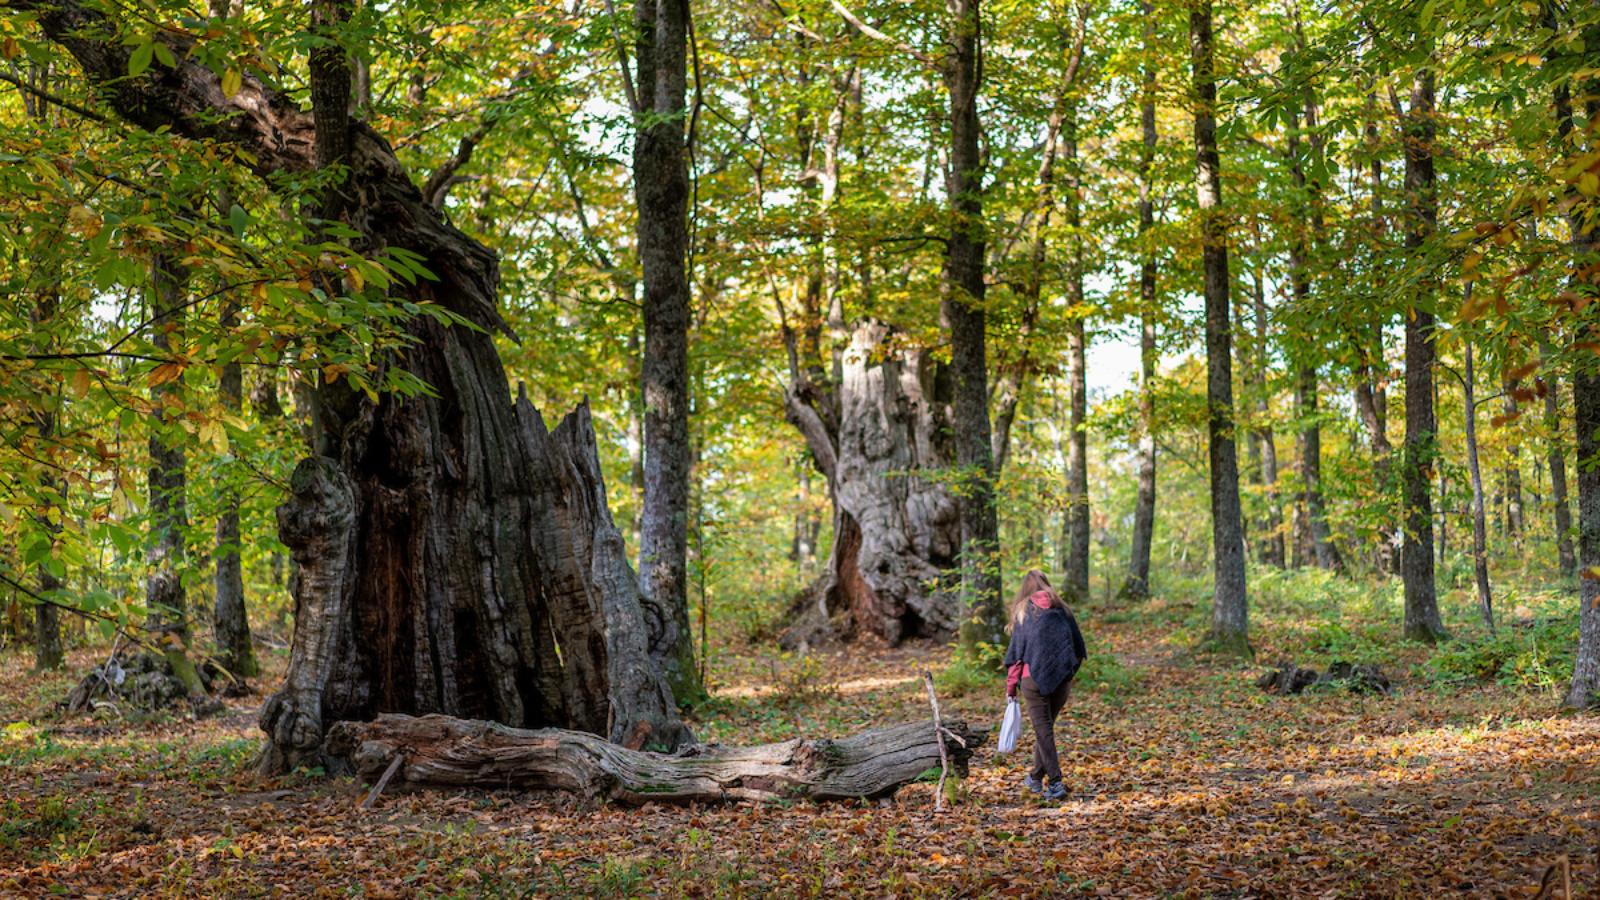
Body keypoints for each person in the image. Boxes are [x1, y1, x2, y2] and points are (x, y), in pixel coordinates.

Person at [1003, 569, 1087, 800]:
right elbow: (1078, 650)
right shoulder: (1063, 610)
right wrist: (1067, 674)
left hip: (1033, 681)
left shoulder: (1024, 611)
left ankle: (1056, 783)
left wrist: (1011, 689)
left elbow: (1017, 657)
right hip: (1062, 682)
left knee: (1044, 732)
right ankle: (1035, 777)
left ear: (1025, 588)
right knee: (1045, 731)